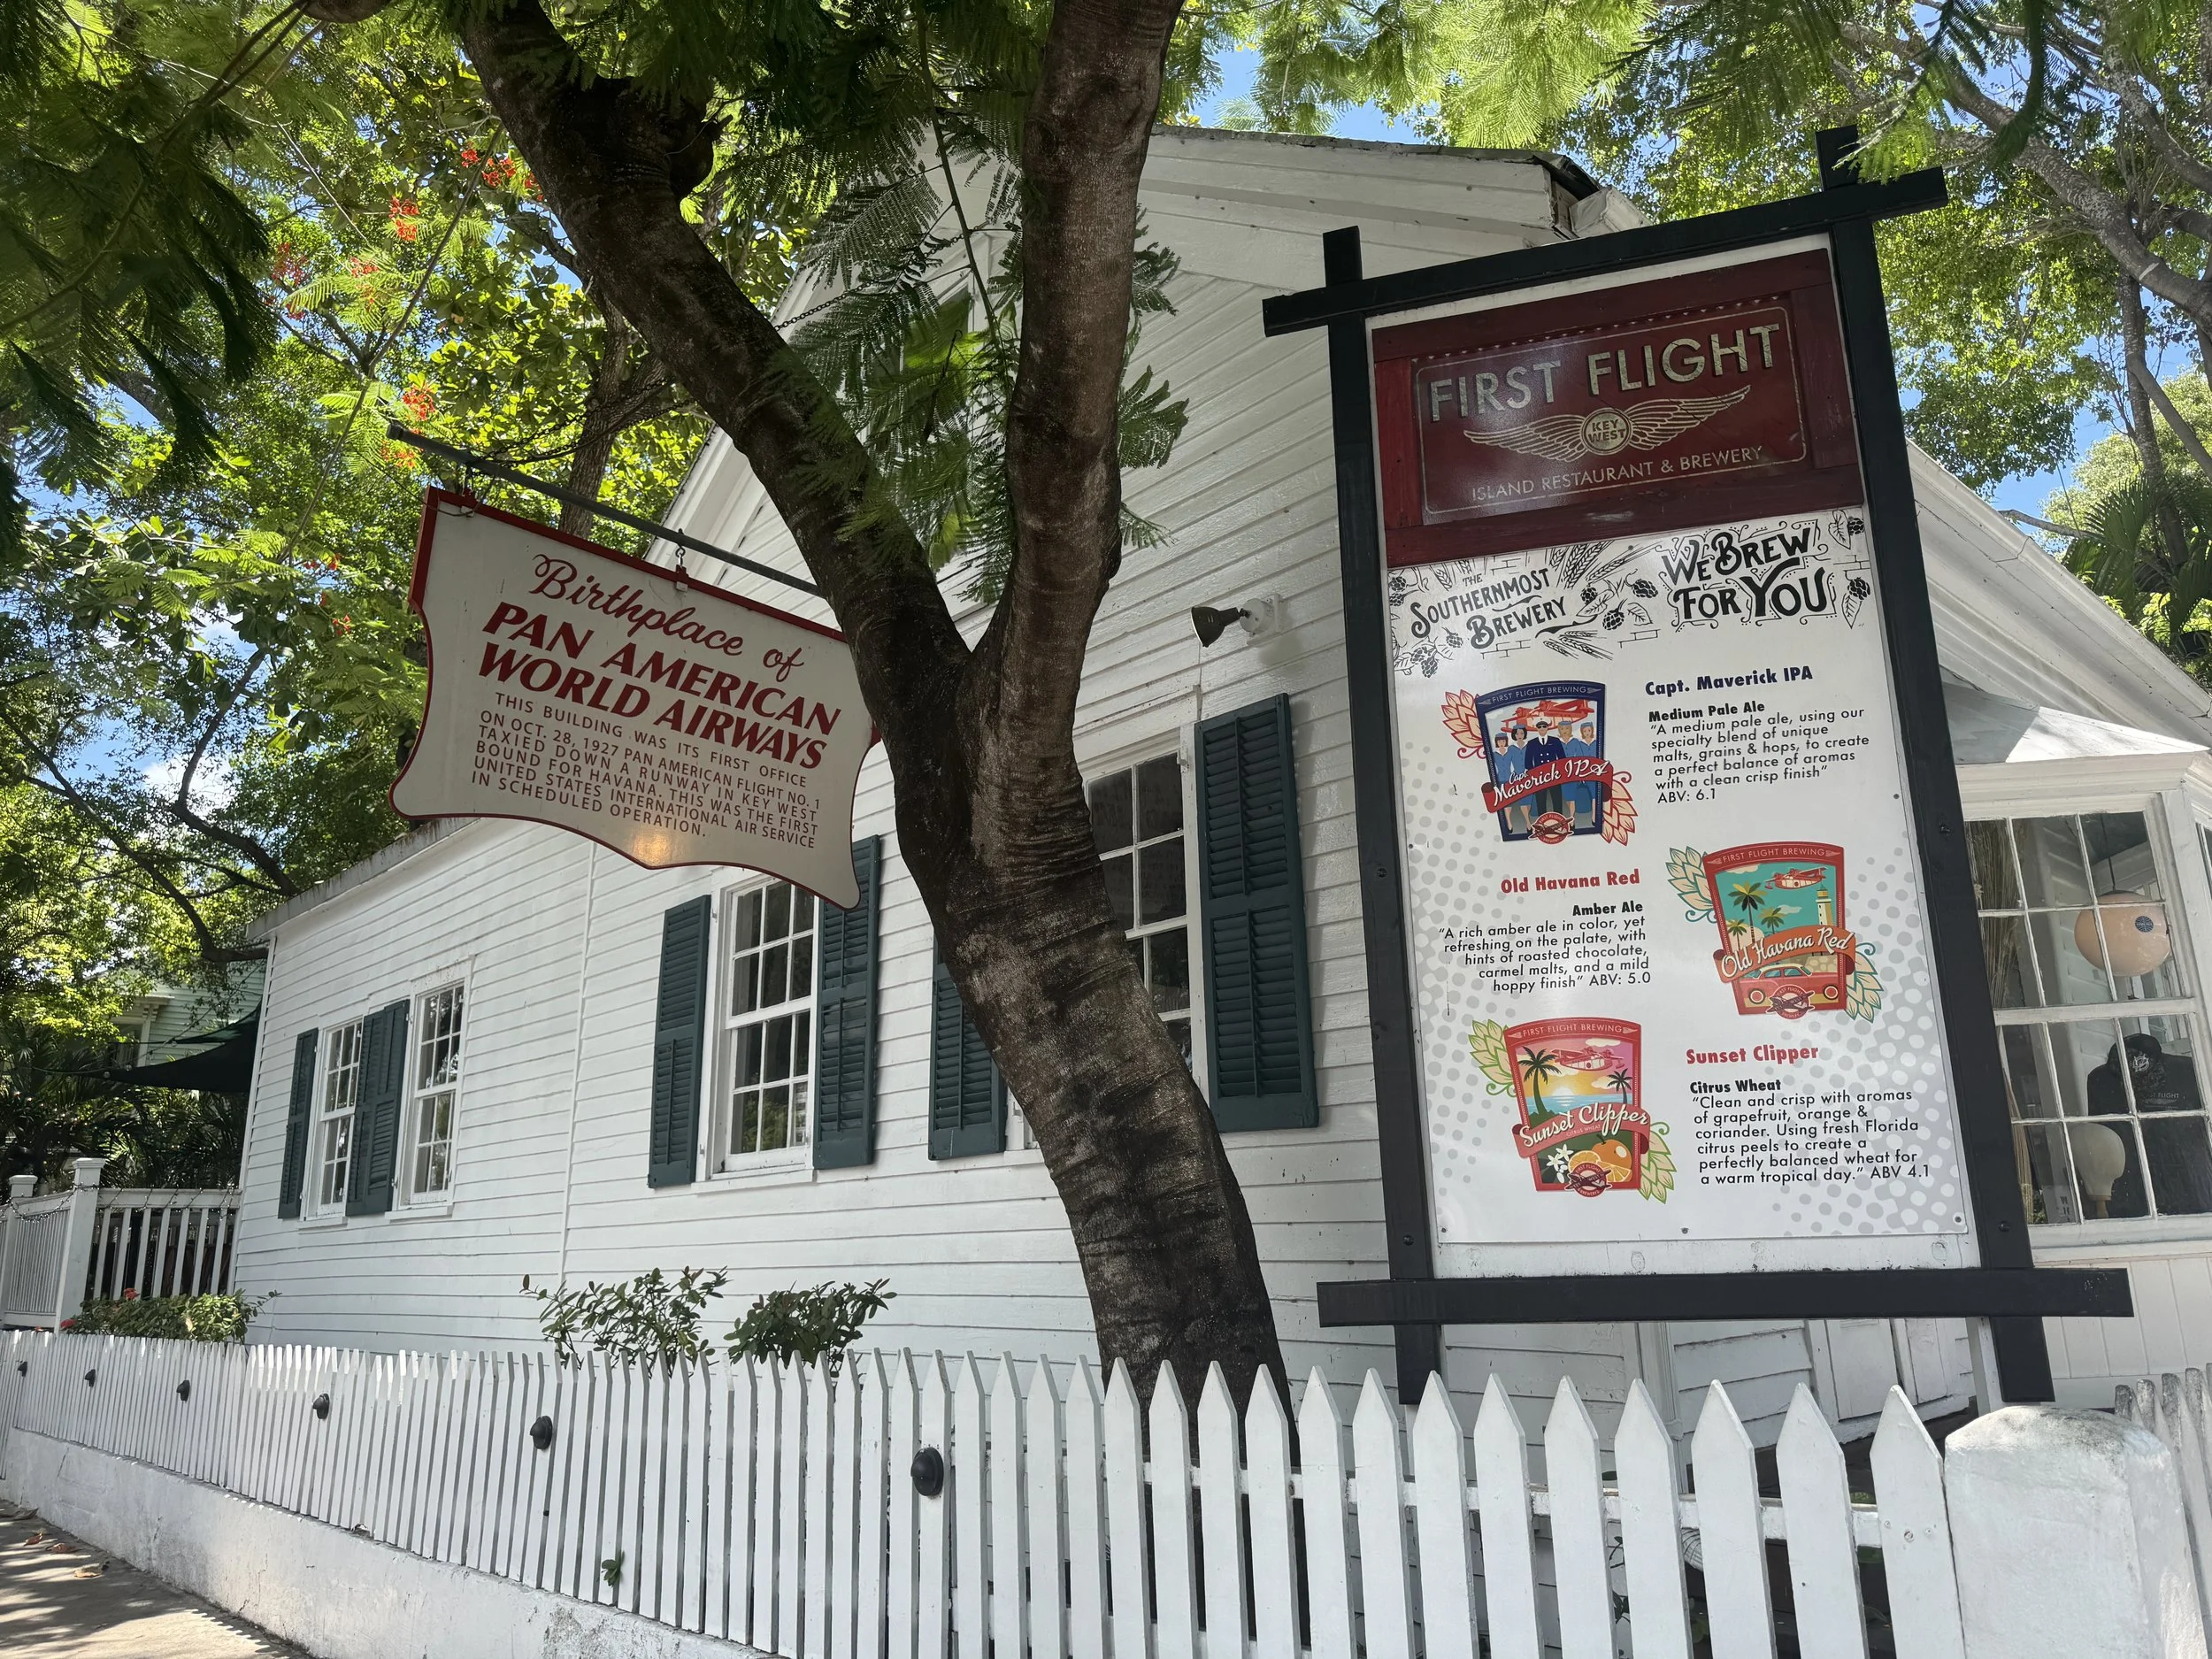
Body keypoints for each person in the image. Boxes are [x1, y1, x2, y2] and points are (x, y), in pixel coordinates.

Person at [2086, 1032, 2212, 1216]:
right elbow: (2099, 1136)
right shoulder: (2100, 1081)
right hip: (2130, 1178)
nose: (2132, 1087)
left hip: (2189, 1174)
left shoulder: (2188, 1071)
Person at [1522, 718, 1568, 826]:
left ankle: (1559, 821)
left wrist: (1560, 772)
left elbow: (1562, 758)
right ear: (1537, 729)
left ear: (1547, 728)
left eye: (1544, 726)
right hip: (1539, 777)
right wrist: (1533, 774)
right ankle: (1542, 824)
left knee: (1557, 798)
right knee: (1540, 800)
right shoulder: (1532, 743)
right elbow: (1528, 761)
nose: (1542, 728)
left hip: (1553, 774)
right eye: (1539, 727)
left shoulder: (1555, 741)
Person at [1564, 719, 1600, 830]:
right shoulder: (1580, 744)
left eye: (1589, 730)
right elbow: (1579, 758)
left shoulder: (1597, 743)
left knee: (1595, 796)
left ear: (1592, 731)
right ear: (1582, 732)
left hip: (1596, 772)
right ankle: (1572, 819)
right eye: (1585, 731)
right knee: (1572, 796)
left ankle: (1594, 817)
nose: (1587, 733)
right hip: (1585, 773)